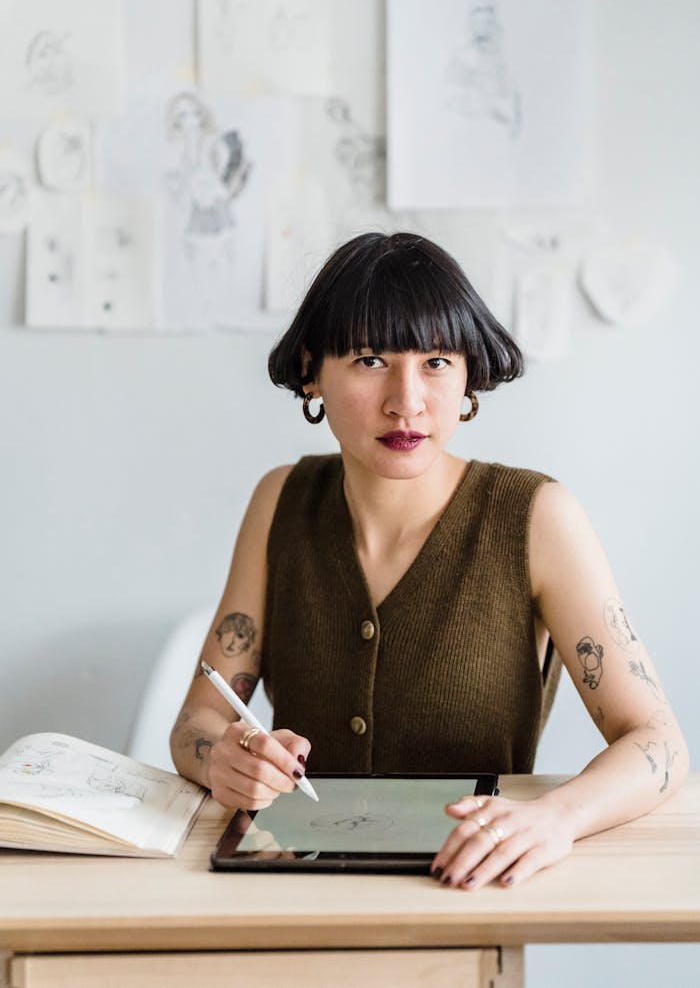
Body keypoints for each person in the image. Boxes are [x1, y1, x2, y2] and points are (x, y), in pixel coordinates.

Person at [170, 231, 688, 890]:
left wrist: (554, 818)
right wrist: (226, 757)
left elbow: (660, 742)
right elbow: (197, 719)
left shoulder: (537, 517)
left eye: (437, 361)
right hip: (289, 889)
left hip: (464, 892)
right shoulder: (280, 501)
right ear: (311, 371)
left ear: (469, 373)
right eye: (369, 359)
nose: (406, 400)